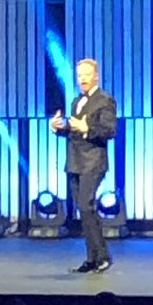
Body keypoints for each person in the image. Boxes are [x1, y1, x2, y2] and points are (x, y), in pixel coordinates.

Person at [50, 58, 116, 274]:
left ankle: (102, 256)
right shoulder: (76, 101)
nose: (83, 79)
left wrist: (87, 128)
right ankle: (92, 258)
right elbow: (73, 131)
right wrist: (58, 127)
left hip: (93, 161)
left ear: (96, 76)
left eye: (87, 75)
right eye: (79, 76)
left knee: (86, 206)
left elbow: (109, 130)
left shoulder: (105, 99)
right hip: (75, 161)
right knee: (84, 210)